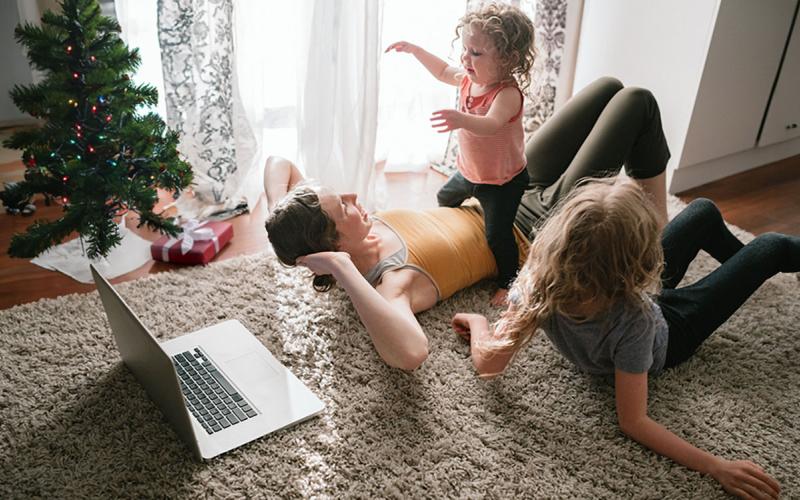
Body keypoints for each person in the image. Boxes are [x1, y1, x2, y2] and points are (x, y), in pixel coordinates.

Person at [264, 76, 670, 371]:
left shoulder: (348, 229)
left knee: (606, 87)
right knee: (636, 102)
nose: (354, 198)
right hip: (533, 226)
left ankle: (652, 215)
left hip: (499, 193)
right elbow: (410, 353)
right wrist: (342, 270)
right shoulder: (392, 282)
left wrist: (276, 211)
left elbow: (277, 163)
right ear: (334, 248)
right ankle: (657, 221)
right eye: (345, 209)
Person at [451, 178, 794, 498]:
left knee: (701, 211)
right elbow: (634, 421)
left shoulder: (537, 283)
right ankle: (744, 270)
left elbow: (488, 364)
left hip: (629, 304)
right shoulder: (635, 319)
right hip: (674, 334)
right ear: (639, 267)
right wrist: (716, 466)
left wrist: (479, 322)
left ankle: (738, 271)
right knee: (771, 247)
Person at [385, 3, 536, 305]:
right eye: (466, 49)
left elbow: (490, 125)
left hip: (502, 182)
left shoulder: (506, 94)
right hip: (470, 171)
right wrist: (416, 50)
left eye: (477, 53)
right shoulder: (468, 79)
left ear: (509, 59)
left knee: (497, 235)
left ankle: (509, 280)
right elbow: (442, 70)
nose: (466, 58)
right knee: (445, 198)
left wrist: (460, 119)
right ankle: (462, 235)